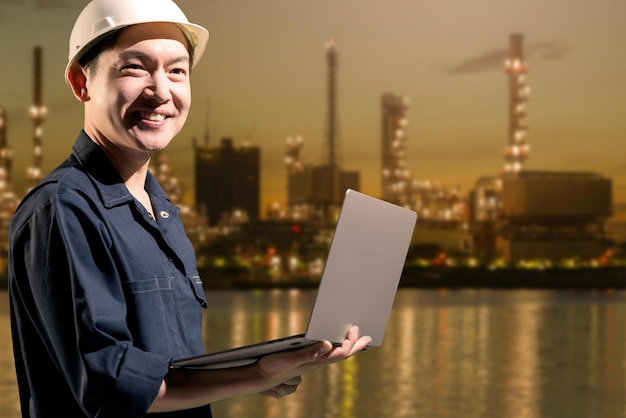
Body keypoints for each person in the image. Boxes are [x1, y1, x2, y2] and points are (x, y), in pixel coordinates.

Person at [8, 0, 372, 416]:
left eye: (177, 71)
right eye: (135, 68)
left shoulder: (161, 215)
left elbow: (171, 369)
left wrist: (259, 367)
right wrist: (253, 376)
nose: (161, 90)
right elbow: (109, 382)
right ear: (81, 82)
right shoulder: (63, 208)